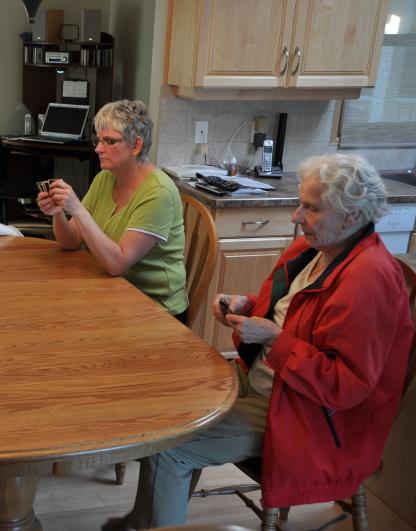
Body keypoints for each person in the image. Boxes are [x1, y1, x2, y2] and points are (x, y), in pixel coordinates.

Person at [104, 153, 413, 529]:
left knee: (171, 448)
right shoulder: (314, 249)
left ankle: (145, 524)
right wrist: (248, 306)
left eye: (310, 208)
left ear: (351, 216)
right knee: (168, 410)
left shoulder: (369, 279)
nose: (297, 217)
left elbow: (346, 387)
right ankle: (143, 523)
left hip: (311, 417)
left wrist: (276, 340)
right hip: (269, 383)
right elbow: (292, 314)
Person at [37, 99, 188, 321]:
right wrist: (58, 212)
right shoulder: (105, 179)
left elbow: (117, 264)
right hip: (111, 292)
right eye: (98, 140)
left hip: (156, 310)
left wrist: (78, 210)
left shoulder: (159, 192)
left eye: (109, 141)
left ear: (136, 146)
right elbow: (70, 242)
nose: (98, 149)